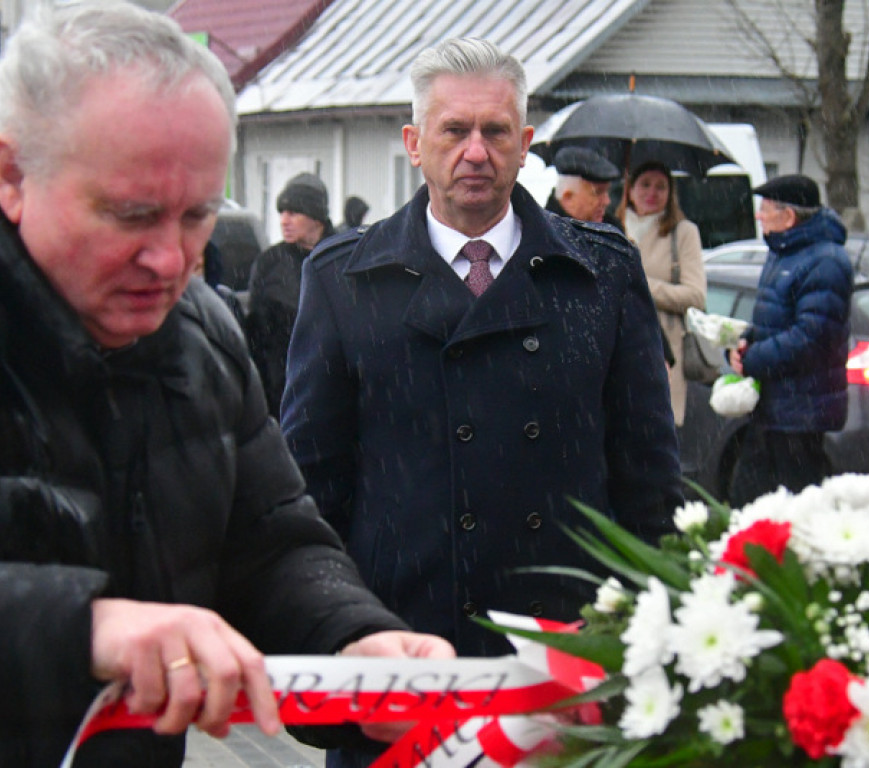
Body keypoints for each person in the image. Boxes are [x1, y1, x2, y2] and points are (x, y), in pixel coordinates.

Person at [0, 4, 453, 766]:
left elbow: (269, 543)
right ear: (12, 174)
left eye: (198, 217)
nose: (171, 261)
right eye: (132, 215)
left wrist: (353, 639)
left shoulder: (201, 333)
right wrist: (86, 627)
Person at [282, 31, 680, 676]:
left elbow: (648, 480)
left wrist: (642, 635)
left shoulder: (599, 275)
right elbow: (312, 488)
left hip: (564, 650)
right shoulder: (343, 281)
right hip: (402, 647)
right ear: (415, 146)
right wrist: (334, 638)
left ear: (525, 149)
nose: (476, 152)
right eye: (454, 131)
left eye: (496, 132)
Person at [728, 174, 853, 506]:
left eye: (766, 209)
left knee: (797, 507)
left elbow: (812, 337)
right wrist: (745, 342)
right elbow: (772, 319)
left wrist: (754, 359)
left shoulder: (825, 261)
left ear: (789, 216)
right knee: (748, 499)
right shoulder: (783, 252)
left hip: (802, 412)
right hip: (773, 408)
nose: (759, 216)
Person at [617, 161, 706, 426]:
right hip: (619, 347)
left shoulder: (683, 233)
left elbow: (696, 296)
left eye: (661, 186)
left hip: (664, 350)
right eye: (645, 184)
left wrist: (641, 285)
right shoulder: (612, 227)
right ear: (630, 190)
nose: (652, 193)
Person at [246, 173, 335, 416]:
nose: (284, 221)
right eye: (281, 213)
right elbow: (255, 332)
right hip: (280, 392)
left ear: (316, 217)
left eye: (293, 213)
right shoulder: (270, 263)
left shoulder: (341, 257)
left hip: (331, 389)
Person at [544, 145, 622, 227]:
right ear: (568, 198)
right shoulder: (544, 233)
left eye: (607, 192)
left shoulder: (612, 231)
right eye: (598, 192)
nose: (607, 201)